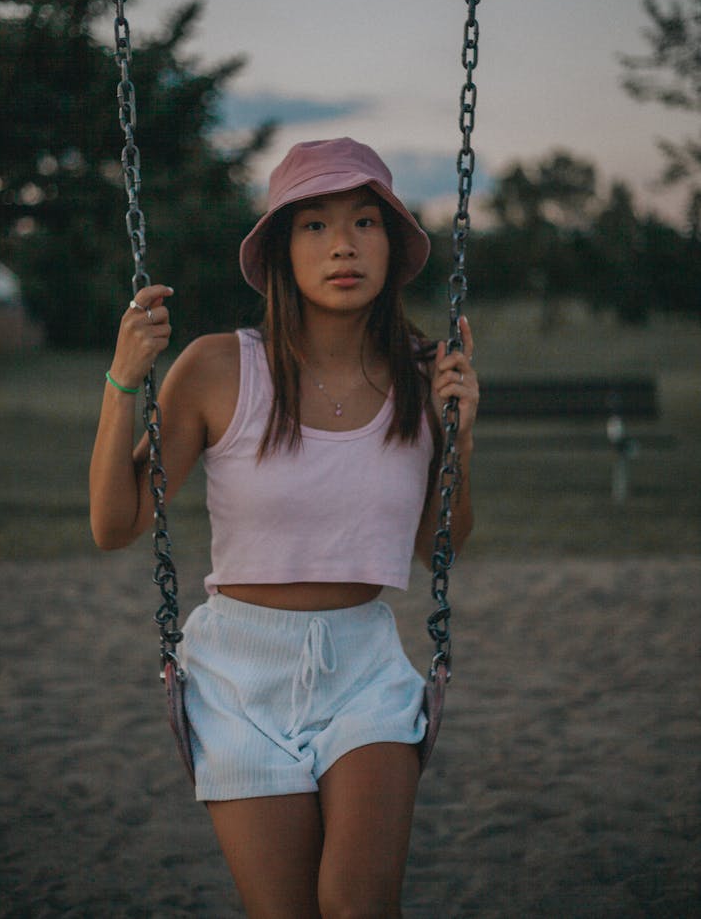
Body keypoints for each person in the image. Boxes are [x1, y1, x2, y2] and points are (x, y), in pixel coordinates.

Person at [90, 136, 479, 919]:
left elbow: (439, 541)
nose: (342, 244)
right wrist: (123, 381)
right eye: (314, 225)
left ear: (391, 246)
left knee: (357, 902)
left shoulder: (422, 372)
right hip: (238, 674)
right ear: (279, 251)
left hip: (364, 664)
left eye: (366, 221)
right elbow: (116, 521)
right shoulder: (217, 368)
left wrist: (460, 435)